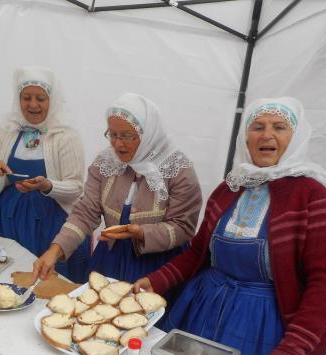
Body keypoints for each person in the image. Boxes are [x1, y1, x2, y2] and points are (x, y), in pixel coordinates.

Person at [134, 97, 326, 355]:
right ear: (245, 136)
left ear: (295, 137)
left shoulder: (313, 196)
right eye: (257, 127)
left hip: (269, 325)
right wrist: (156, 281)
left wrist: (291, 352)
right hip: (206, 313)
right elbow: (197, 253)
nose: (267, 135)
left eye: (279, 127)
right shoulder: (228, 189)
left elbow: (324, 285)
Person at [33, 93, 202, 290]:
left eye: (126, 136)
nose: (117, 144)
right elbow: (85, 213)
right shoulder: (106, 163)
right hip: (110, 260)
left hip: (156, 268)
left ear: (148, 134)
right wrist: (55, 250)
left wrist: (142, 233)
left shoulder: (178, 170)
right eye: (112, 134)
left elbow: (184, 227)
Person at [0, 66, 89, 283]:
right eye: (27, 97)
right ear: (18, 99)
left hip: (49, 223)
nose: (33, 104)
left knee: (45, 282)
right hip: (7, 219)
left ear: (52, 100)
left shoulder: (66, 136)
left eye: (40, 98)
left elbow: (76, 188)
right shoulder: (7, 131)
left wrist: (47, 186)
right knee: (3, 278)